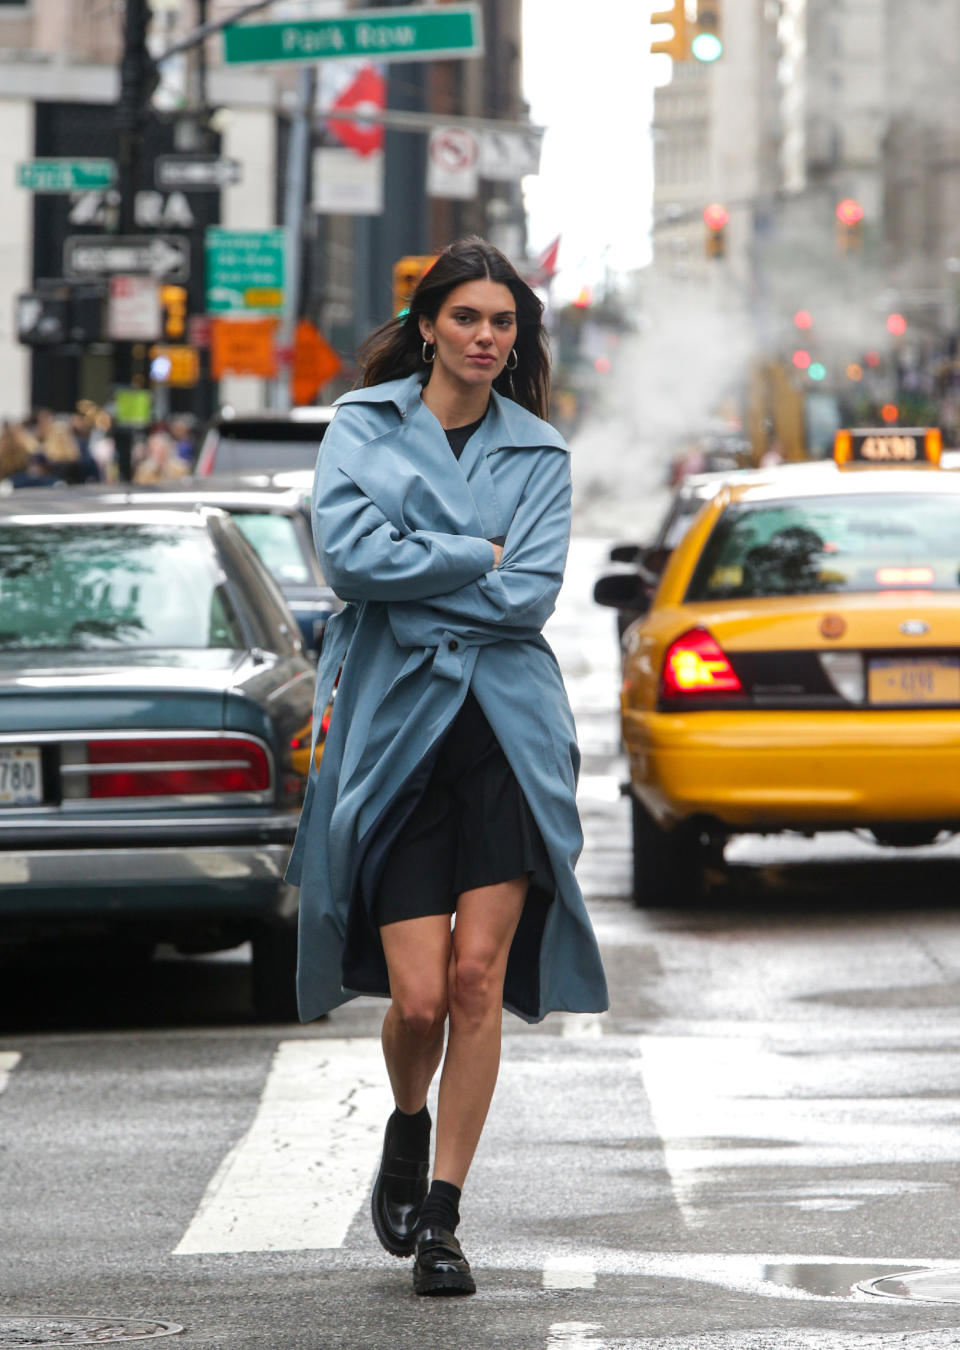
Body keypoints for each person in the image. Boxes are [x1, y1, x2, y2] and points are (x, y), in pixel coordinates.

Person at [286, 237, 608, 1297]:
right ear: (427, 326)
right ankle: (407, 1123)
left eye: (503, 322)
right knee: (417, 1000)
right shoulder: (359, 426)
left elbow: (534, 597)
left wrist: (415, 565)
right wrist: (474, 553)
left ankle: (445, 1217)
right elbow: (349, 561)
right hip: (399, 730)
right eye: (467, 317)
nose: (485, 337)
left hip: (506, 734)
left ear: (519, 339)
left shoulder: (540, 452)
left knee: (477, 981)